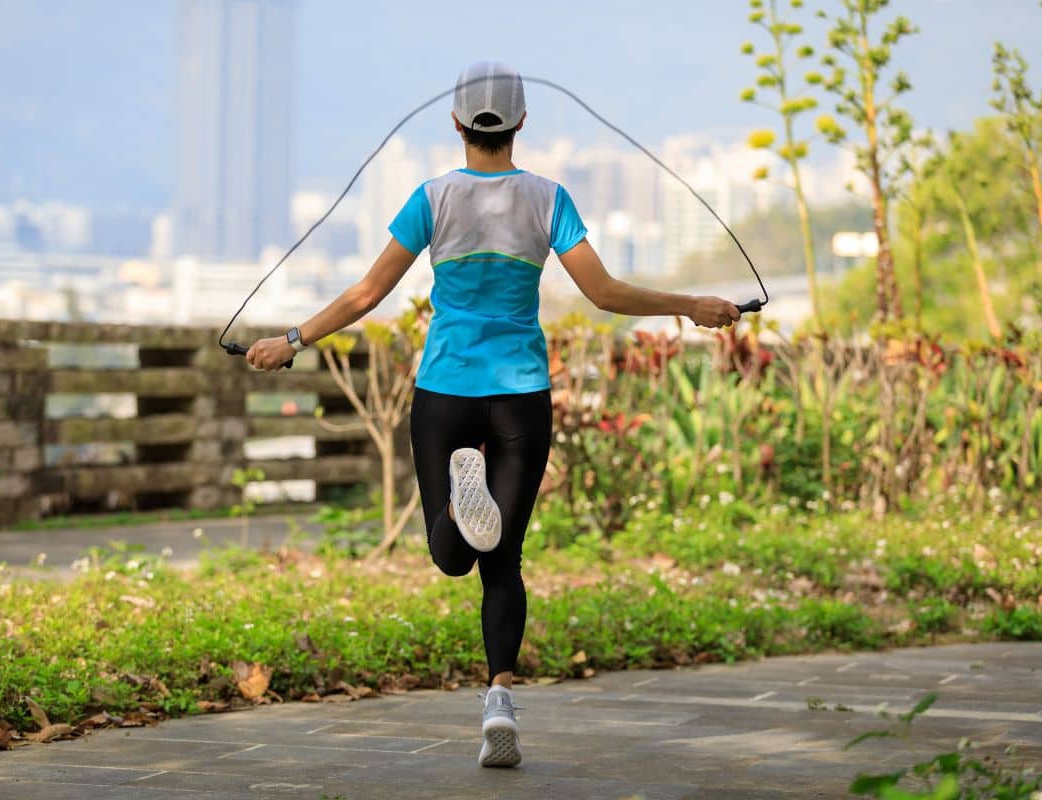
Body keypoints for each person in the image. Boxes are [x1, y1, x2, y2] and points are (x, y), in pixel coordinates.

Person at [246, 60, 741, 768]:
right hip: (521, 396)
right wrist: (689, 304)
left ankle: (460, 511)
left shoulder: (432, 197)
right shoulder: (549, 197)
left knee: (453, 555)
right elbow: (601, 292)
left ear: (456, 124)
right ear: (520, 125)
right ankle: (499, 699)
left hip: (446, 392)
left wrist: (292, 339)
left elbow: (366, 295)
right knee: (502, 558)